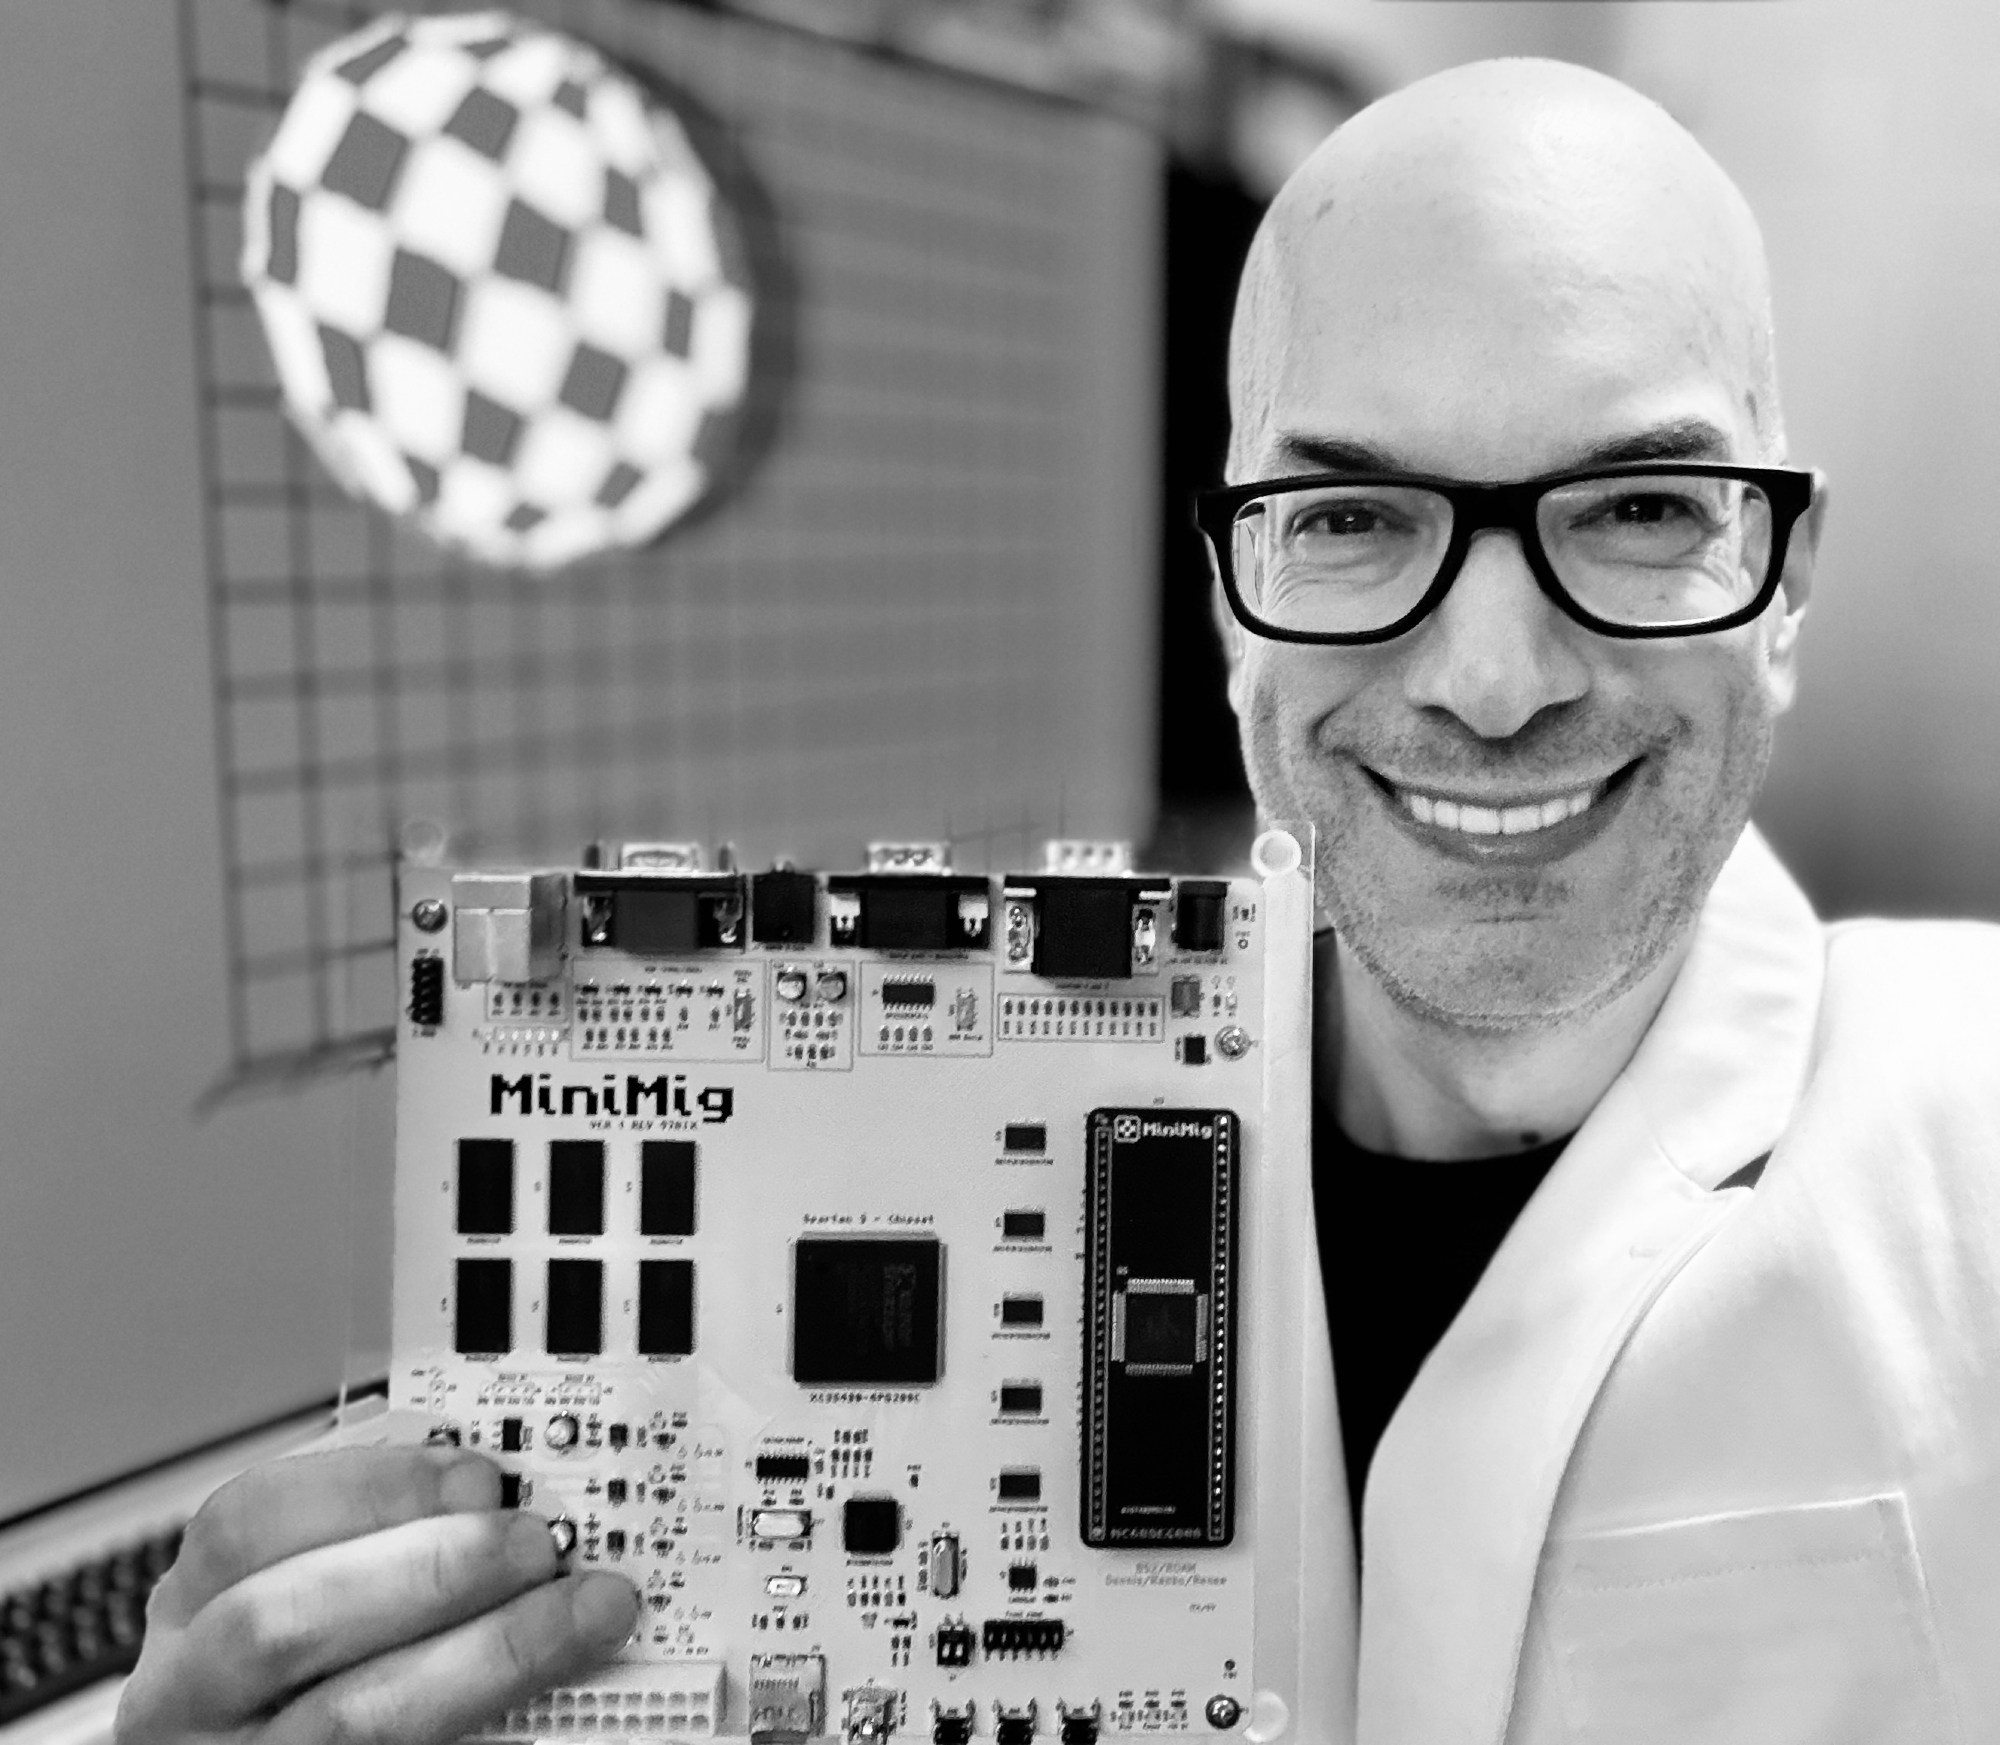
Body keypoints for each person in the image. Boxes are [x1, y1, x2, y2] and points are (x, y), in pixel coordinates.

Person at [117, 56, 2000, 1745]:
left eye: (1640, 509)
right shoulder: (751, 1256)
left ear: (1785, 579)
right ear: (1231, 604)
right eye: (1350, 518)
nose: (1493, 681)